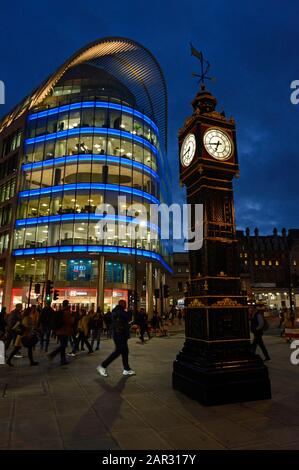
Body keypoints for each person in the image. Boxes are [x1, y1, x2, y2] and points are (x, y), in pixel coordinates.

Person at [97, 300, 135, 377]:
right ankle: (103, 366)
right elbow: (125, 319)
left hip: (120, 334)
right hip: (119, 334)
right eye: (125, 304)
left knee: (125, 351)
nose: (126, 305)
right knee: (118, 351)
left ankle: (126, 369)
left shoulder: (116, 311)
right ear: (122, 304)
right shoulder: (120, 312)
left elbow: (122, 322)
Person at [48, 299, 74, 366]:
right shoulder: (66, 312)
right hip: (64, 331)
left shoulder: (60, 311)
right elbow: (70, 322)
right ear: (67, 304)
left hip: (59, 331)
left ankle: (63, 360)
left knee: (63, 345)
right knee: (63, 345)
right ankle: (53, 354)